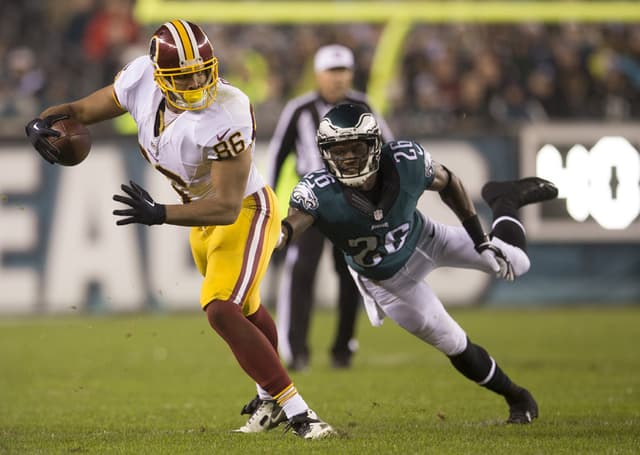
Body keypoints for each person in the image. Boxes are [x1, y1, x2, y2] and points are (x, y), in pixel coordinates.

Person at [24, 19, 334, 439]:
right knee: (245, 309)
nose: (195, 81)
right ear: (157, 75)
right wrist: (41, 122)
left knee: (221, 307)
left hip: (244, 210)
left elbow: (225, 205)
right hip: (199, 217)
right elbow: (78, 112)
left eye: (201, 70)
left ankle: (301, 413)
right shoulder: (139, 80)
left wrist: (159, 213)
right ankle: (268, 398)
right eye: (182, 74)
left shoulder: (228, 108)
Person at [275, 103, 559, 423]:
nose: (349, 157)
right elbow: (295, 221)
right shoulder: (317, 190)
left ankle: (504, 197)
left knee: (515, 263)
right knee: (452, 340)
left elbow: (449, 182)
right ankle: (517, 397)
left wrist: (480, 238)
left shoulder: (405, 160)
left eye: (356, 147)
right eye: (338, 151)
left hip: (428, 239)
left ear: (374, 145)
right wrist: (279, 234)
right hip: (388, 282)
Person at [267, 44, 394, 371]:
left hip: (353, 204)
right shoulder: (299, 109)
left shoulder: (364, 106)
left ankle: (343, 349)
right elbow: (277, 156)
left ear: (351, 73)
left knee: (352, 275)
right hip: (311, 203)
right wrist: (268, 204)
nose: (338, 79)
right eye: (332, 71)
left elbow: (388, 150)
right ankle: (296, 350)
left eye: (343, 71)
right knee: (301, 272)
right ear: (318, 75)